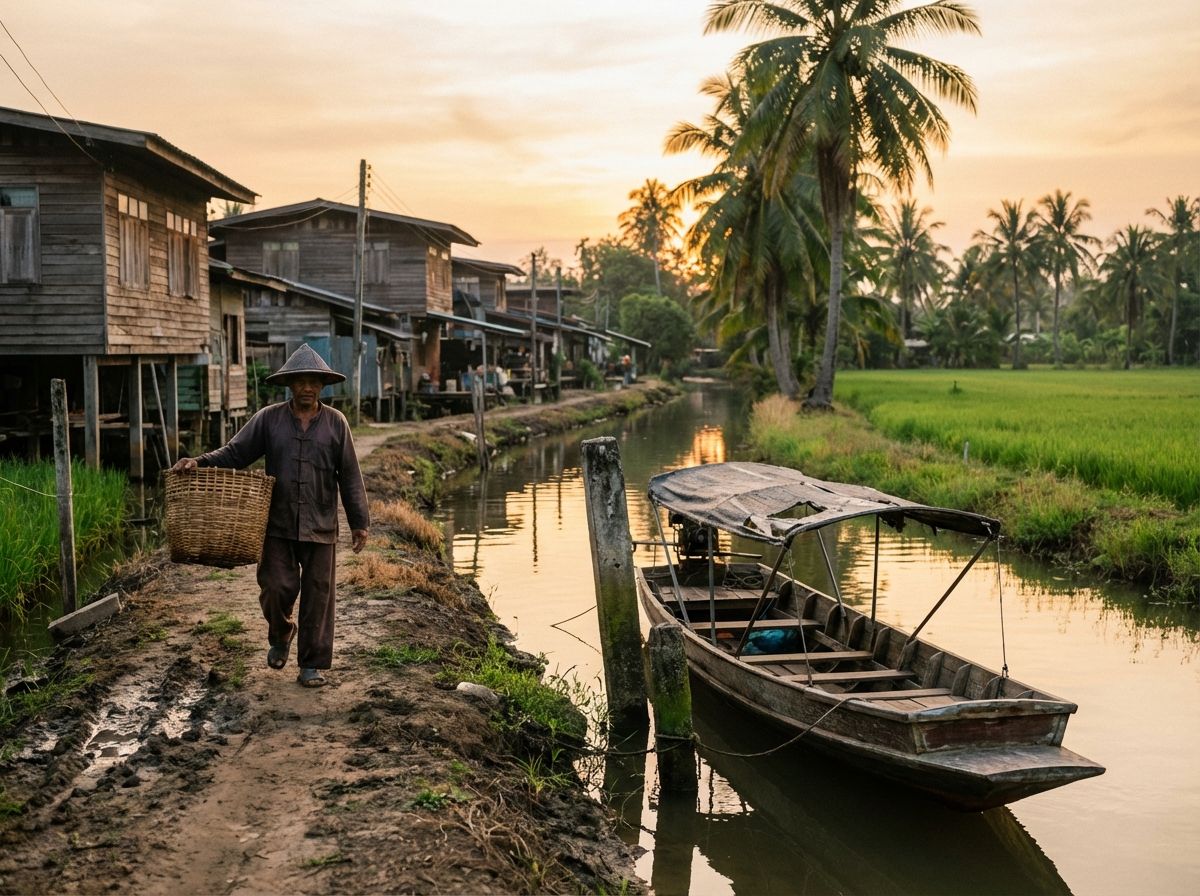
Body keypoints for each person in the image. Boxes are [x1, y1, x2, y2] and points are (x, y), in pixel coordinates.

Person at [170, 344, 369, 688]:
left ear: (322, 385)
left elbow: (349, 475)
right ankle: (281, 633)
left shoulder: (336, 424)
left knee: (319, 596)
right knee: (276, 588)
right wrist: (199, 462)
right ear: (290, 384)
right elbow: (236, 453)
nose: (307, 387)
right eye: (301, 381)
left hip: (321, 525)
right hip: (276, 524)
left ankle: (311, 664)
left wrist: (359, 523)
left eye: (314, 381)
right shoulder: (269, 419)